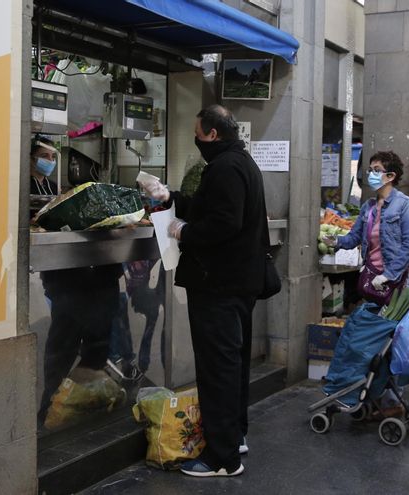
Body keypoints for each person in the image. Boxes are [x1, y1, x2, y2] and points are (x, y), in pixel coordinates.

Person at [140, 104, 268, 477]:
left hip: (219, 285)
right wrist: (170, 197)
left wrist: (185, 231)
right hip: (238, 283)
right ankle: (233, 437)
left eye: (198, 133)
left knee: (217, 369)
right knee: (233, 364)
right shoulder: (240, 163)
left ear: (212, 133)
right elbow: (210, 207)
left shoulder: (225, 167)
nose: (196, 139)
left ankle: (222, 459)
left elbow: (224, 223)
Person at [29, 137, 124, 428]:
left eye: (52, 157)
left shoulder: (54, 188)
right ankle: (49, 409)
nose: (50, 161)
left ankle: (84, 404)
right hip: (65, 281)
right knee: (62, 348)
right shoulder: (26, 187)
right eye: (44, 156)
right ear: (31, 158)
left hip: (90, 280)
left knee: (96, 345)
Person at [326, 151, 409, 302]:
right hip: (372, 276)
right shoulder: (368, 207)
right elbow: (354, 237)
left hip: (396, 280)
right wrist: (337, 241)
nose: (371, 174)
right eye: (370, 170)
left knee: (394, 316)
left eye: (376, 170)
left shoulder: (404, 205)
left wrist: (388, 275)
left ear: (390, 176)